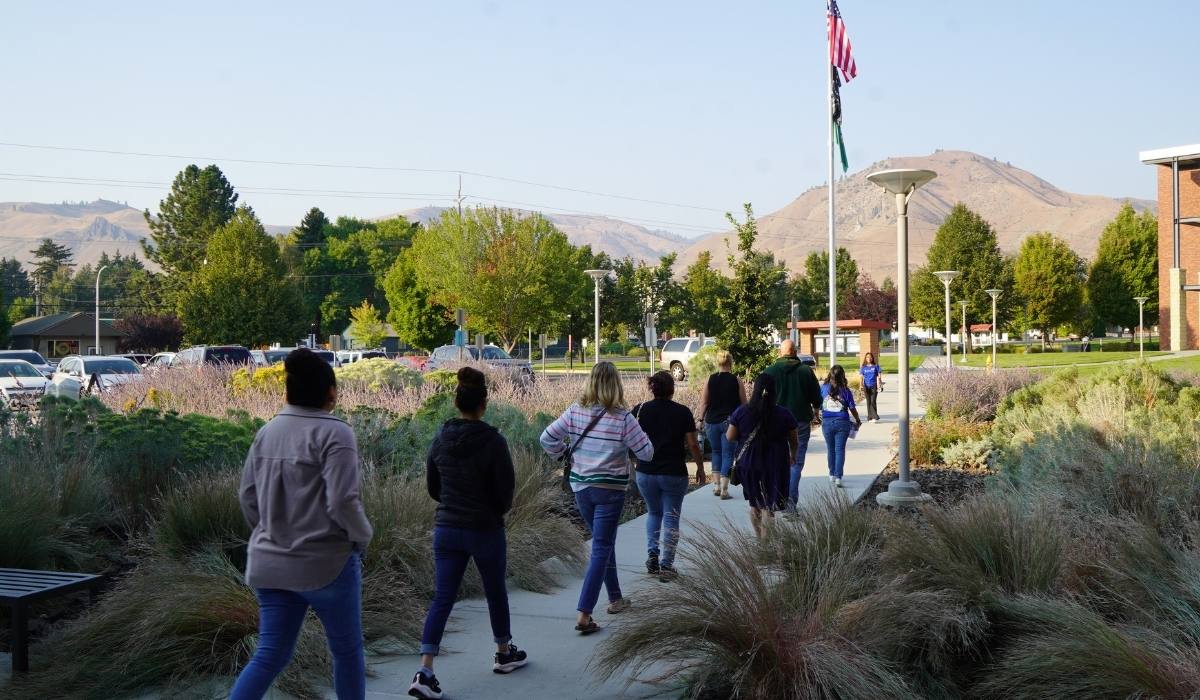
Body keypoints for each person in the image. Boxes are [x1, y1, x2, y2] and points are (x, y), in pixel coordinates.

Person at [233, 348, 373, 700]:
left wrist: (271, 531)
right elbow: (343, 500)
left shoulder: (267, 431)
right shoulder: (336, 433)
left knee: (269, 656)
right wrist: (361, 536)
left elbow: (247, 496)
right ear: (330, 392)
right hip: (326, 563)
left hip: (270, 564)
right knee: (347, 653)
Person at [408, 367, 526, 700]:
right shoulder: (494, 441)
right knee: (495, 592)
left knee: (442, 598)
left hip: (447, 528)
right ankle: (503, 652)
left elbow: (433, 487)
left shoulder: (440, 439)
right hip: (485, 528)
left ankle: (425, 670)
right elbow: (505, 493)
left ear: (456, 403)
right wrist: (493, 510)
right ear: (483, 404)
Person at [540, 361, 653, 635]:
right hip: (610, 490)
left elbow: (547, 438)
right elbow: (647, 453)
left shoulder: (575, 411)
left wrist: (564, 455)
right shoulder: (624, 418)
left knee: (603, 543)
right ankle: (584, 613)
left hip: (581, 489)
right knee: (601, 547)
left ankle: (615, 598)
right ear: (616, 385)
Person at [632, 371, 706, 582]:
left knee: (654, 513)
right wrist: (700, 467)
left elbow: (629, 438)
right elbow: (693, 444)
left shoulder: (640, 410)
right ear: (672, 389)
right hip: (673, 472)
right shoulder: (682, 412)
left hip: (646, 471)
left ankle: (652, 554)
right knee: (671, 517)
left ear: (652, 388)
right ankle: (666, 565)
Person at [726, 374, 799, 538]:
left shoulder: (742, 412)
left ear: (755, 389)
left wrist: (744, 435)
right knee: (769, 506)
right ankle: (766, 545)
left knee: (755, 504)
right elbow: (794, 440)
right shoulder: (784, 414)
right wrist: (792, 455)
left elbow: (729, 436)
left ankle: (759, 539)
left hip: (749, 463)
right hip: (775, 463)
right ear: (775, 391)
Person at [763, 340, 823, 508]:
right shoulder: (805, 371)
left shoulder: (769, 371)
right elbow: (817, 398)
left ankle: (775, 500)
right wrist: (816, 412)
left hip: (774, 423)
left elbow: (761, 398)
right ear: (795, 352)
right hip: (800, 421)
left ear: (780, 353)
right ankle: (790, 503)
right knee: (795, 462)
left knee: (775, 460)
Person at [695, 350, 746, 499]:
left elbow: (704, 402)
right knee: (728, 454)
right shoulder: (736, 380)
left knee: (716, 452)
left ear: (718, 363)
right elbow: (744, 403)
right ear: (730, 362)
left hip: (711, 422)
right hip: (730, 422)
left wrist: (700, 419)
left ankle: (716, 486)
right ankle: (724, 489)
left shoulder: (710, 379)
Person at [820, 365, 862, 488]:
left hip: (827, 422)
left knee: (830, 449)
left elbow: (818, 403)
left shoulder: (823, 388)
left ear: (830, 374)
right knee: (840, 450)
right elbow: (852, 408)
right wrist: (857, 420)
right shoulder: (845, 390)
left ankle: (831, 474)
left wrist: (817, 415)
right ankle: (838, 477)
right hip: (842, 422)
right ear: (842, 375)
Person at [858, 352, 883, 423]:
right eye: (867, 357)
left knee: (873, 401)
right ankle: (870, 417)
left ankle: (875, 416)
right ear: (865, 358)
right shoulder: (863, 367)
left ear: (872, 358)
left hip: (874, 386)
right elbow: (861, 378)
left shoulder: (876, 366)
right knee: (868, 402)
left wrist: (880, 384)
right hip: (866, 386)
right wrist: (861, 385)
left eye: (870, 357)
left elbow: (879, 376)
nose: (869, 358)